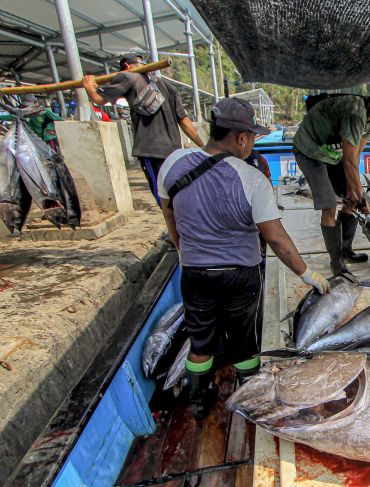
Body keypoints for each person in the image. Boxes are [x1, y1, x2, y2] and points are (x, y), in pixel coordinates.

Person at [157, 98, 330, 419]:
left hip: (195, 272)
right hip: (241, 274)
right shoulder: (252, 180)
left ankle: (198, 401)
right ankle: (249, 392)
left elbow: (171, 220)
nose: (253, 143)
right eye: (252, 136)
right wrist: (309, 275)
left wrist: (187, 253)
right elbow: (277, 239)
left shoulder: (172, 164)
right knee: (243, 341)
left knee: (200, 341)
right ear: (240, 138)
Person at [293, 79, 370, 274]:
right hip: (309, 150)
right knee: (329, 206)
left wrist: (355, 193)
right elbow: (349, 162)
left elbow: (354, 156)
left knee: (351, 199)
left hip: (331, 154)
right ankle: (336, 262)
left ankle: (346, 250)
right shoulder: (356, 113)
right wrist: (364, 201)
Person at [82, 53, 204, 206]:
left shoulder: (127, 77)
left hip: (151, 151)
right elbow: (184, 121)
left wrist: (88, 86)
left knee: (164, 198)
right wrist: (202, 146)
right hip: (174, 151)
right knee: (178, 193)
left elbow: (99, 99)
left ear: (127, 66)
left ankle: (175, 227)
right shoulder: (168, 86)